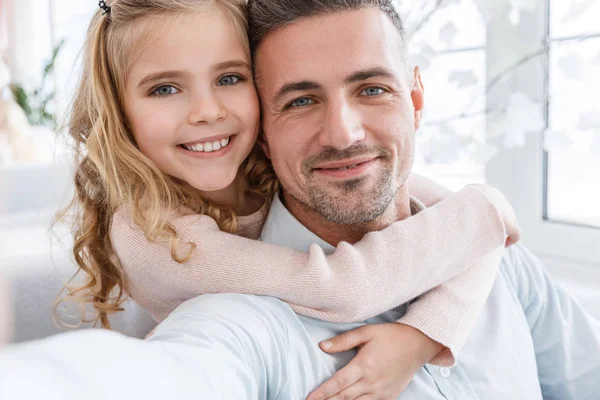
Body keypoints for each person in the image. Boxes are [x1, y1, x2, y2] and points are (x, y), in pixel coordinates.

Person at [54, 0, 518, 379]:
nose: (206, 111)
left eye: (229, 78)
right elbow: (341, 287)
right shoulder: (153, 234)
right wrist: (487, 211)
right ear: (118, 111)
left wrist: (431, 327)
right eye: (164, 89)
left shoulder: (263, 163)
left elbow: (468, 227)